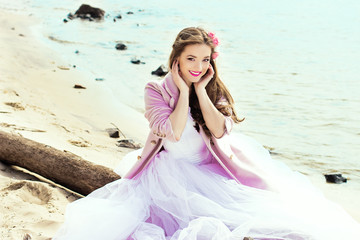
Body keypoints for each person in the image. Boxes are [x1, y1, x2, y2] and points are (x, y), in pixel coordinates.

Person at [53, 27, 360, 240]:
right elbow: (171, 132)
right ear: (175, 59)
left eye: (204, 59)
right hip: (168, 171)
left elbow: (219, 129)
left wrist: (200, 90)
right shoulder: (154, 90)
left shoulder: (213, 89)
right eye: (190, 59)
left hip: (214, 167)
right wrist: (183, 92)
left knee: (272, 215)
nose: (198, 66)